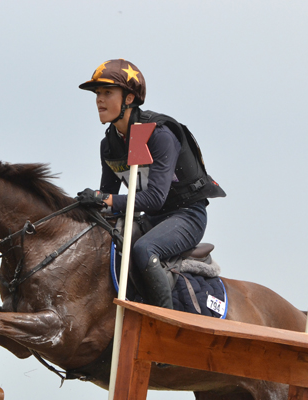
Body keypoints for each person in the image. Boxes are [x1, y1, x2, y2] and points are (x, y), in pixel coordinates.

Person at [76, 59, 225, 309]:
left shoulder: (159, 135)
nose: (99, 100)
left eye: (107, 93)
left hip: (187, 216)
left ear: (129, 98)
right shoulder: (109, 144)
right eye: (97, 94)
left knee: (145, 249)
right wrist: (88, 202)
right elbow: (109, 199)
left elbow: (154, 198)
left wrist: (107, 200)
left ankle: (162, 322)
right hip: (152, 218)